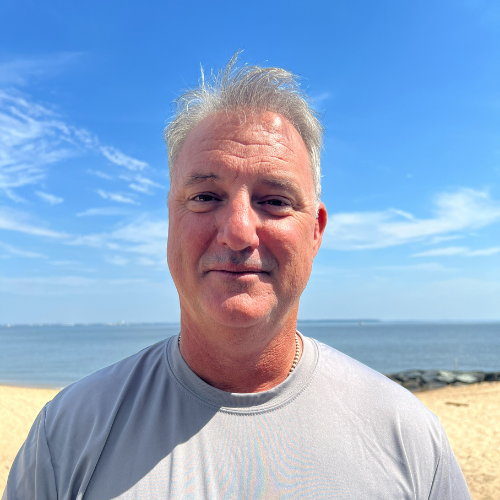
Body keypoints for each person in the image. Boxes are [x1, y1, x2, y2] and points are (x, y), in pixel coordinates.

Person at [4, 54, 471, 500]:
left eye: (275, 200)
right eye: (206, 197)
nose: (239, 231)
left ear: (315, 232)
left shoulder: (406, 435)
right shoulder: (68, 434)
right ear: (171, 220)